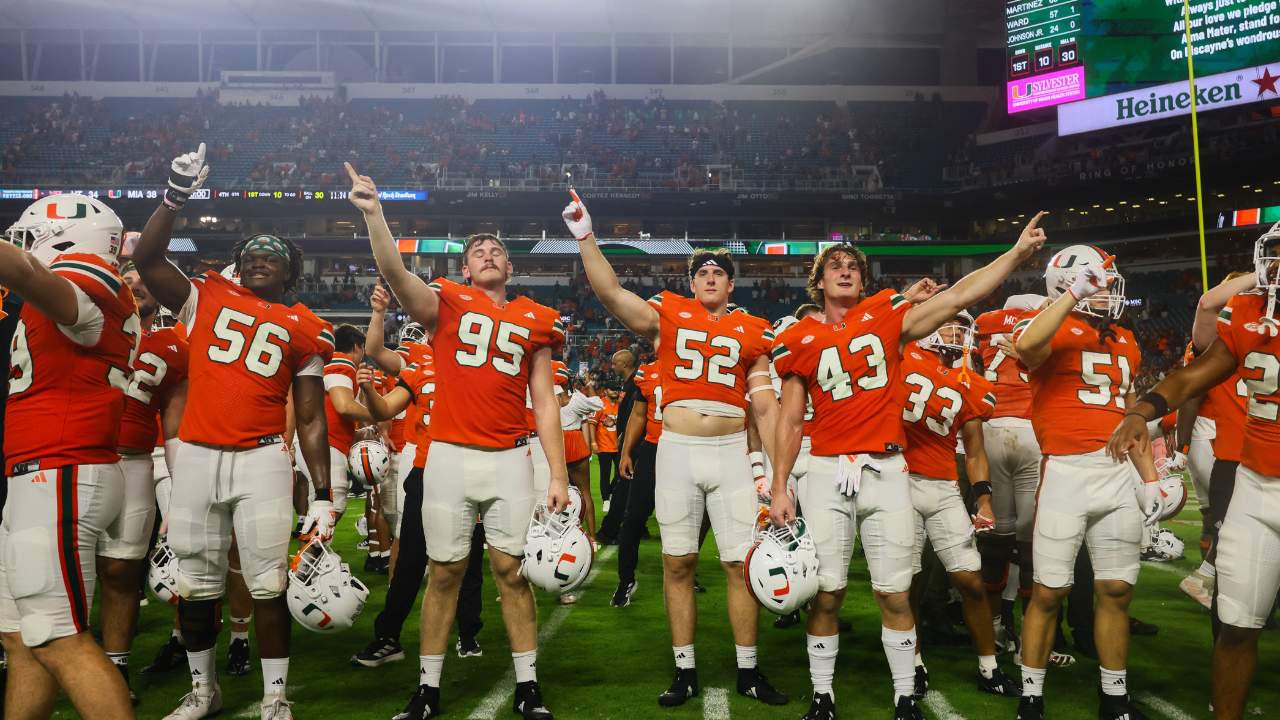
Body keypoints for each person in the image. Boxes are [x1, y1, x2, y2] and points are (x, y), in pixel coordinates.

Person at [769, 215, 1047, 720]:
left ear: (864, 278)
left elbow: (958, 297)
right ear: (819, 279)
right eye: (835, 263)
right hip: (828, 470)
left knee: (895, 593)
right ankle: (822, 697)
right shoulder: (801, 337)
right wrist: (779, 486)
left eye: (853, 264)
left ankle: (904, 697)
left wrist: (1015, 254)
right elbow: (789, 422)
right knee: (826, 594)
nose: (845, 269)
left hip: (888, 469)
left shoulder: (887, 315)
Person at [351, 163, 568, 720]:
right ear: (465, 268)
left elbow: (543, 401)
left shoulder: (537, 317)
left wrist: (560, 474)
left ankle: (528, 685)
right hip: (447, 455)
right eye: (477, 251)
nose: (488, 254)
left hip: (510, 458)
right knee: (443, 572)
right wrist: (376, 214)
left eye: (496, 249)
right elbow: (397, 275)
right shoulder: (446, 299)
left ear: (510, 264)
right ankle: (426, 689)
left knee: (512, 572)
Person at [131, 144, 338, 720]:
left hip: (262, 459)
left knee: (268, 584)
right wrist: (174, 195)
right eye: (247, 253)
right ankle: (203, 689)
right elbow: (147, 260)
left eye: (270, 254)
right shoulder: (206, 296)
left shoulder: (308, 328)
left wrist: (321, 494)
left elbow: (313, 416)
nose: (256, 258)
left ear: (292, 271)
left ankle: (275, 697)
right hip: (195, 455)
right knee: (194, 584)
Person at [566, 196, 788, 707]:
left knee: (740, 564)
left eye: (719, 272)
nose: (710, 277)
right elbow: (612, 293)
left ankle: (749, 670)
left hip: (733, 453)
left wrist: (778, 477)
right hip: (678, 451)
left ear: (732, 284)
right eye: (702, 271)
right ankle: (684, 670)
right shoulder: (669, 313)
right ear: (692, 283)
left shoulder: (754, 329)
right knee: (677, 564)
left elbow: (766, 407)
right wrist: (586, 237)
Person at [1105, 223, 1279, 720]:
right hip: (1255, 485)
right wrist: (1142, 409)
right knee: (1236, 624)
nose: (1277, 270)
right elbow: (1197, 373)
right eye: (1276, 257)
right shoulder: (1248, 313)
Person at [0, 194, 139, 720]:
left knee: (57, 635)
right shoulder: (79, 286)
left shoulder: (90, 281)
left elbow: (31, 276)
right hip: (38, 470)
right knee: (20, 638)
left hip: (61, 466)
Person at [1009, 244, 1157, 720]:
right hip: (1066, 472)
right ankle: (1032, 696)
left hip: (1115, 474)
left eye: (1109, 279)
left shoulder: (1127, 340)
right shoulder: (1049, 327)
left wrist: (1150, 479)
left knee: (1116, 592)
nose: (1108, 286)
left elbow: (1131, 415)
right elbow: (1029, 346)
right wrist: (1074, 294)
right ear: (1065, 282)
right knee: (1050, 591)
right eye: (1100, 278)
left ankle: (1114, 697)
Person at [899, 312, 1020, 697]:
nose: (960, 332)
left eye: (963, 325)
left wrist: (984, 500)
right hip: (898, 483)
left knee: (970, 579)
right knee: (908, 584)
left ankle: (989, 669)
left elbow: (974, 452)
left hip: (944, 487)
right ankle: (913, 664)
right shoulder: (900, 356)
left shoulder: (973, 383)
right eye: (951, 322)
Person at [351, 357, 488, 666]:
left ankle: (467, 633)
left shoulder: (480, 365)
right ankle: (388, 637)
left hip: (469, 474)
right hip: (425, 473)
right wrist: (370, 390)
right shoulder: (417, 370)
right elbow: (385, 409)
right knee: (410, 560)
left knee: (469, 561)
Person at [112, 260, 190, 704]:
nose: (135, 282)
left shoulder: (173, 343)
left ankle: (117, 667)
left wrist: (184, 490)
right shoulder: (78, 324)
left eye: (144, 276)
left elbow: (176, 422)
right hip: (73, 457)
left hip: (142, 458)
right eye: (126, 274)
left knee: (123, 571)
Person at [1173, 271, 1256, 613]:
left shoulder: (1257, 334)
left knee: (1217, 519)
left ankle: (1211, 580)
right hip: (1216, 440)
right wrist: (1182, 447)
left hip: (1228, 439)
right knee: (1230, 521)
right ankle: (1208, 577)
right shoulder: (1214, 342)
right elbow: (1189, 394)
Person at [973, 294, 1045, 659]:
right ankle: (1031, 635)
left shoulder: (986, 321)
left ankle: (996, 629)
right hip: (1032, 430)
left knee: (996, 540)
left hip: (990, 427)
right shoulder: (1045, 316)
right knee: (1032, 543)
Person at [296, 323, 376, 525]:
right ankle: (310, 556)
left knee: (320, 505)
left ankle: (318, 555)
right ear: (357, 347)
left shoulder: (323, 361)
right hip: (325, 443)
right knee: (332, 506)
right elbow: (344, 406)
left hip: (310, 439)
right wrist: (378, 415)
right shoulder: (342, 361)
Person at [611, 360, 663, 608]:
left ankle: (686, 572)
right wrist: (626, 453)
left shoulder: (700, 365)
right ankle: (625, 580)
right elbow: (639, 414)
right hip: (652, 450)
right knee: (633, 518)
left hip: (685, 450)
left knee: (685, 519)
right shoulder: (649, 371)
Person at [596, 350, 639, 545]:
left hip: (631, 445)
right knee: (625, 488)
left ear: (624, 364)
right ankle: (608, 532)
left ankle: (618, 529)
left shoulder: (635, 385)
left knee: (629, 488)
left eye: (614, 364)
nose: (611, 367)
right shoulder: (629, 386)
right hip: (629, 446)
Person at [587, 378, 623, 513]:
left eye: (617, 389)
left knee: (620, 473)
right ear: (606, 391)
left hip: (618, 446)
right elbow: (592, 425)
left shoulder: (620, 405)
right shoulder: (600, 405)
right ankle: (606, 500)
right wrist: (593, 443)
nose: (615, 391)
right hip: (604, 446)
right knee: (605, 474)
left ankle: (612, 492)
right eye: (612, 389)